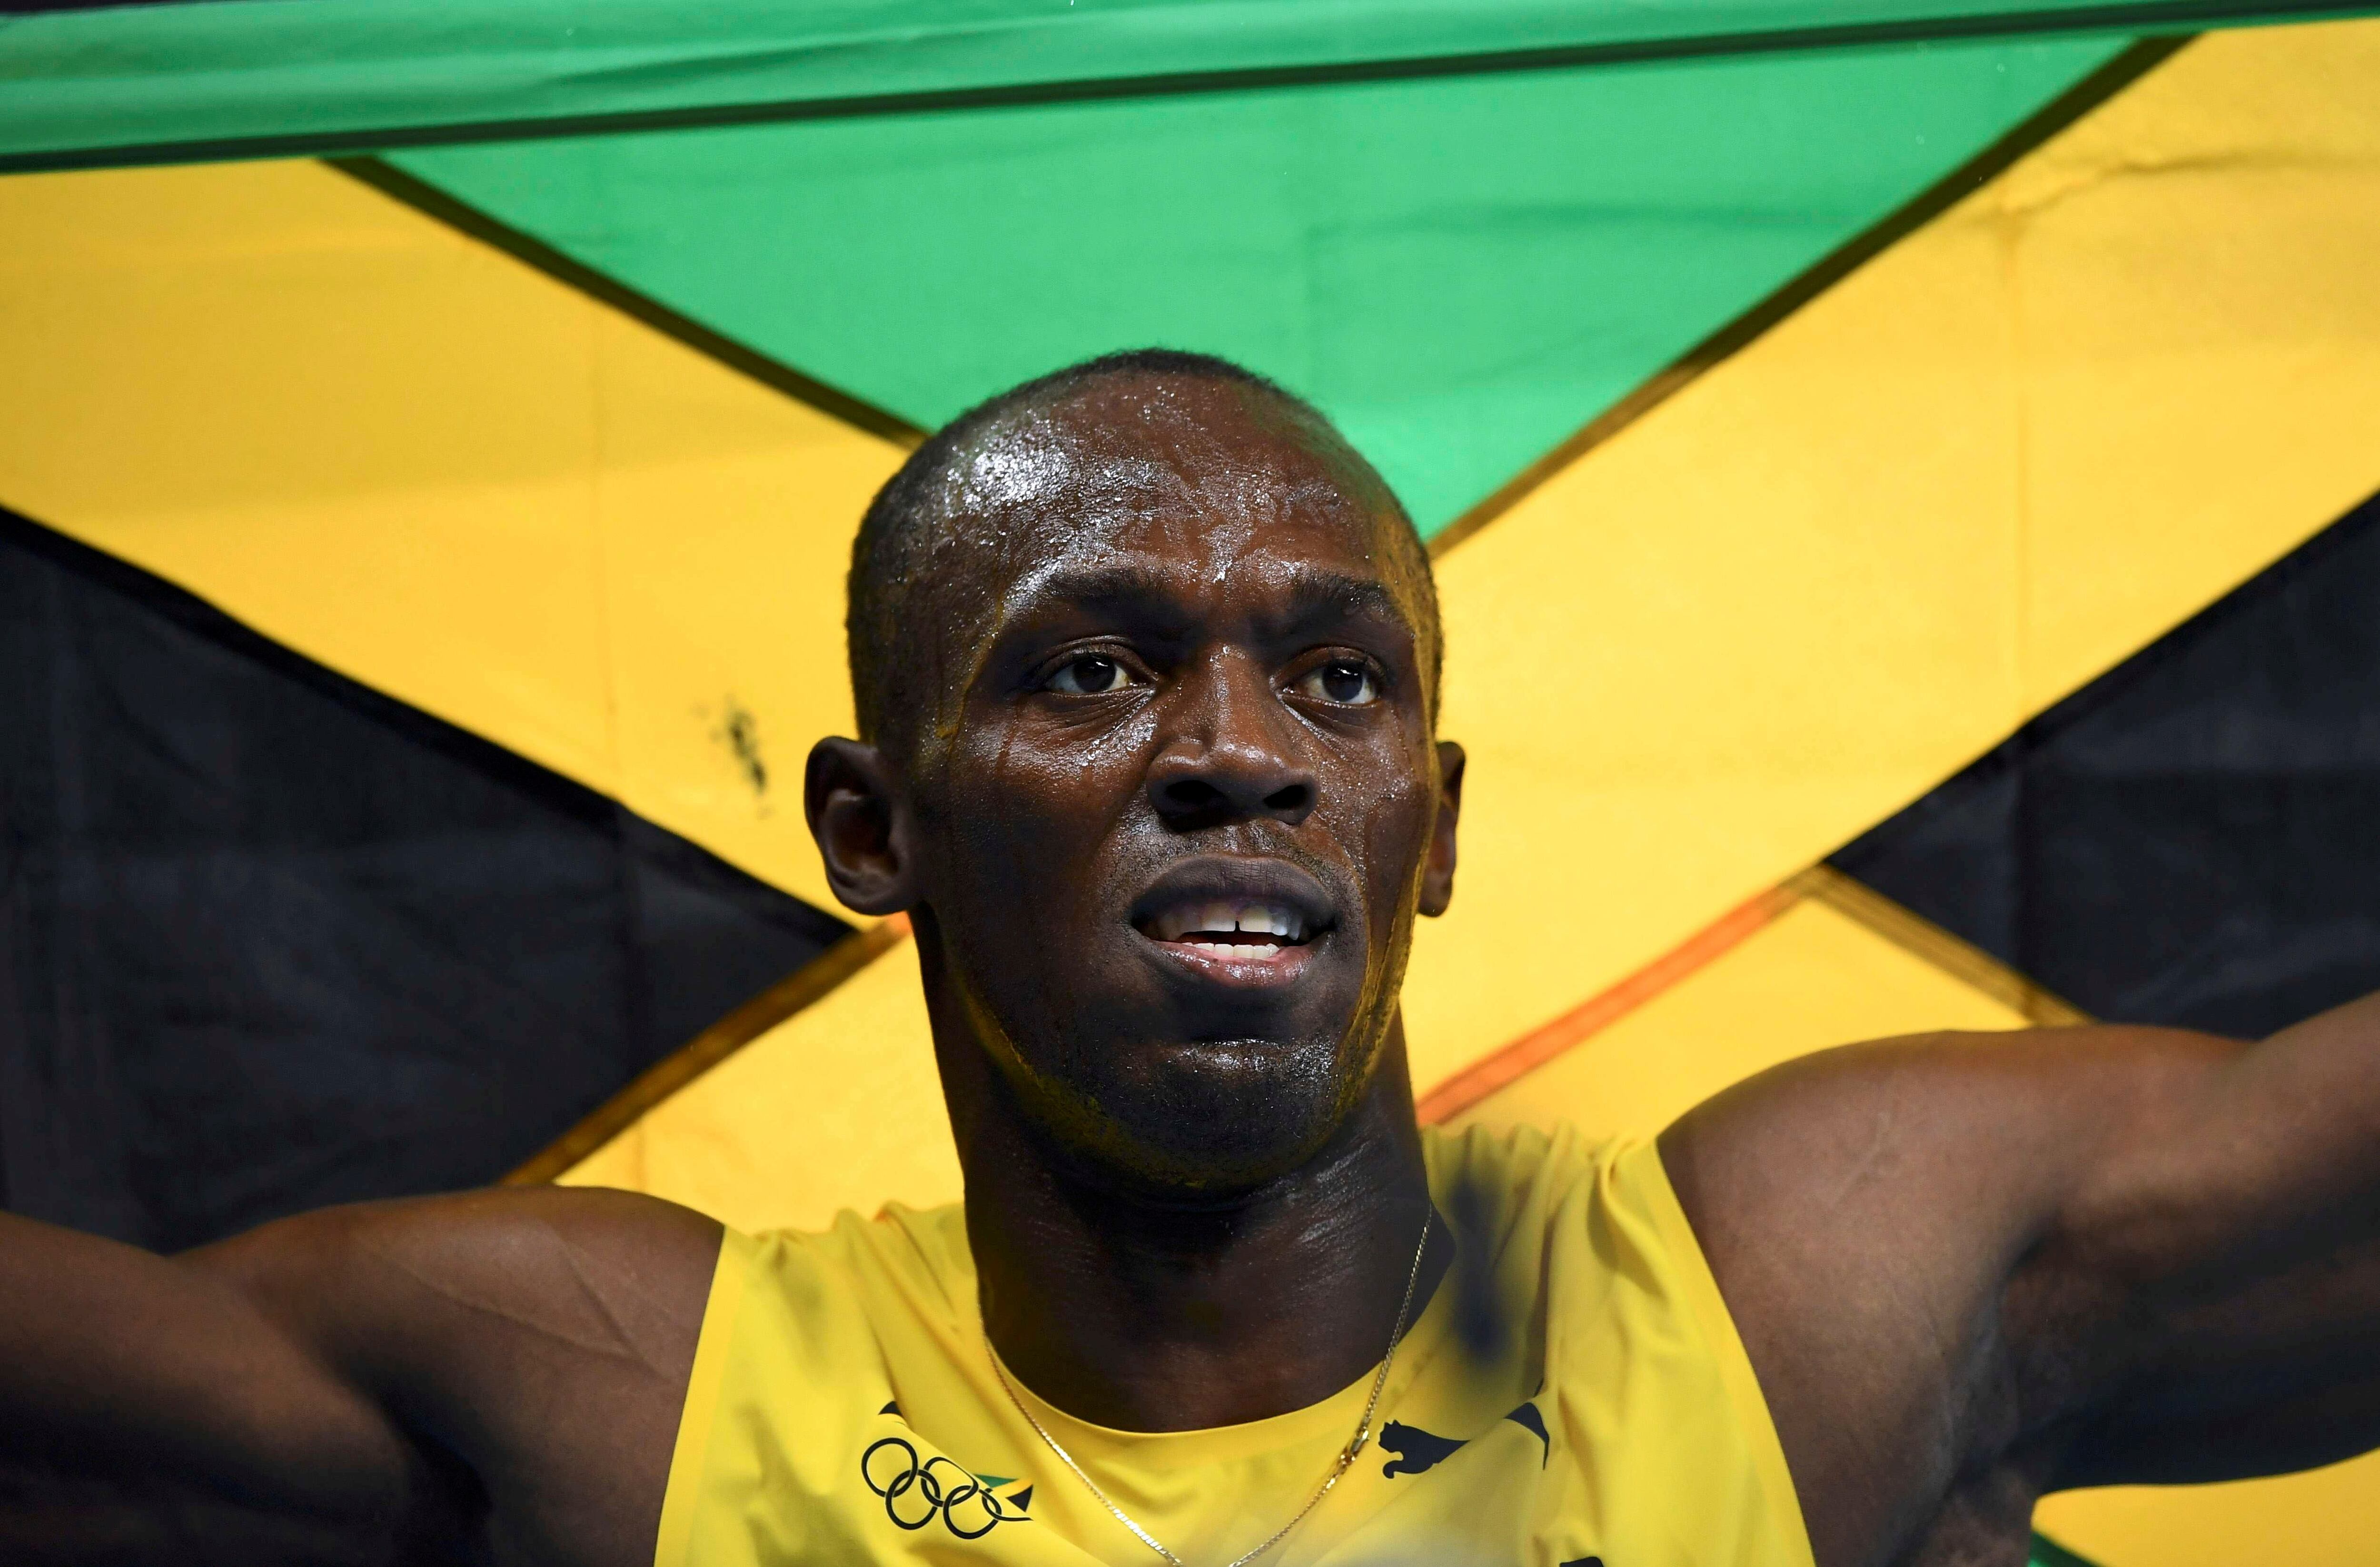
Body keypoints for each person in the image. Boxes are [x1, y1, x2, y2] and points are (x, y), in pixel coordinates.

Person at [4, 349, 2378, 1567]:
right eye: (1087, 670)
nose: (1235, 751)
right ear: (873, 828)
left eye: (1338, 683)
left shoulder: (1804, 1295)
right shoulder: (625, 1398)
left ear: (1425, 830)